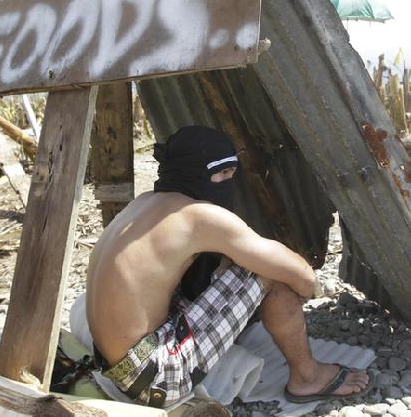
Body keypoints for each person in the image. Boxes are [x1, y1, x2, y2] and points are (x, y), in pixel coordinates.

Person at [86, 126, 370, 408]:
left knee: (231, 262)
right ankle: (307, 376)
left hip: (112, 370)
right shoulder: (196, 216)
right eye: (222, 174)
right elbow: (300, 275)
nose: (229, 183)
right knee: (265, 271)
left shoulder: (142, 204)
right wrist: (306, 287)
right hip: (153, 379)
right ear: (194, 171)